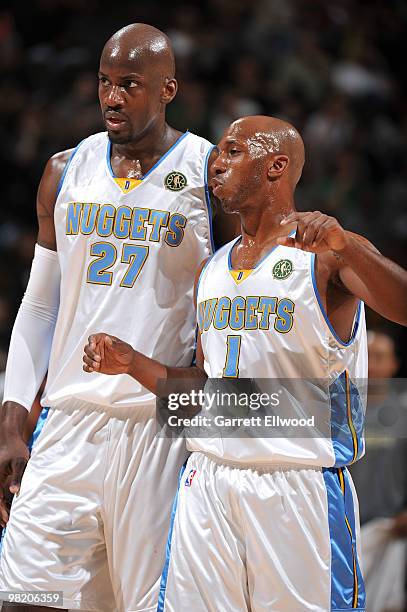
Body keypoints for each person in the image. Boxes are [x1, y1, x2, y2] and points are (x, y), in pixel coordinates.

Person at [83, 115, 407, 611]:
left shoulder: (326, 255)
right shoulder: (211, 269)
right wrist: (133, 364)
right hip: (208, 478)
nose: (216, 161)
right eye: (217, 153)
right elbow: (209, 394)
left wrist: (350, 247)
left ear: (276, 166)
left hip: (296, 484)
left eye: (233, 151)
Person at [0, 23, 236, 612]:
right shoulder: (64, 170)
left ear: (168, 88)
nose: (112, 97)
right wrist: (11, 417)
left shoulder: (209, 174)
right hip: (67, 422)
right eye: (105, 82)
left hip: (160, 426)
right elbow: (40, 304)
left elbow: (228, 309)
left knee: (140, 604)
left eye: (130, 84)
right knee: (25, 595)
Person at [350, 331, 407, 612]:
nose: (371, 365)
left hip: (389, 531)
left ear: (394, 364)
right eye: (367, 357)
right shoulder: (339, 412)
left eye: (380, 357)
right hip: (346, 531)